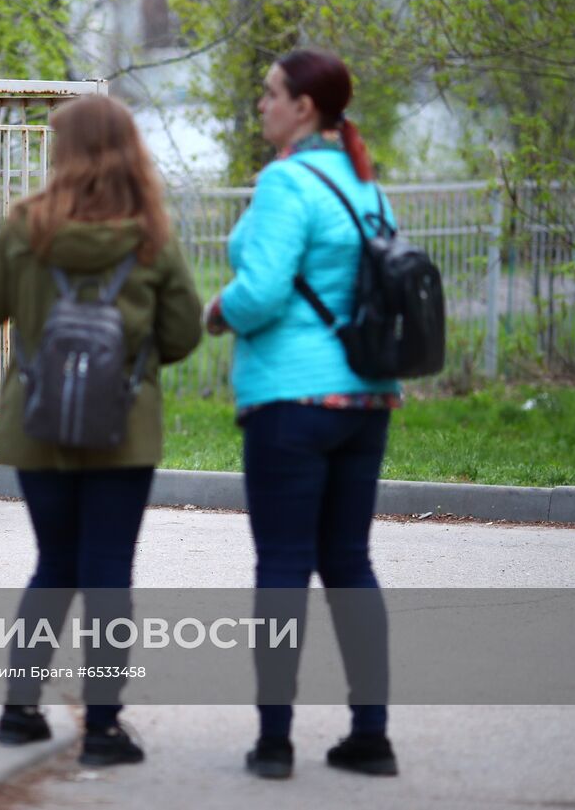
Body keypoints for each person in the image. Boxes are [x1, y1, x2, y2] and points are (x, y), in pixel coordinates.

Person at [0, 94, 202, 766]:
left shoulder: (26, 228)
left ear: (66, 153)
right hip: (124, 432)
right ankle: (104, 731)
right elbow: (183, 332)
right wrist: (128, 361)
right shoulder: (151, 236)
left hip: (40, 428)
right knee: (109, 571)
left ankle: (18, 712)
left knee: (55, 564)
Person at [203, 49, 401, 780]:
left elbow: (261, 294)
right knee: (349, 561)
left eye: (271, 94)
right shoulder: (366, 183)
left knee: (283, 564)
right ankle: (370, 735)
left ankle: (276, 741)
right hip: (368, 398)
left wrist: (216, 310)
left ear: (304, 108)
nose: (262, 105)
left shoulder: (288, 181)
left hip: (292, 402)